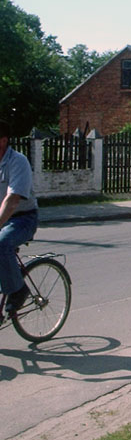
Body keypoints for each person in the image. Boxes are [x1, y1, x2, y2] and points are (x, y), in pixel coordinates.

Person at [0, 120, 38, 314]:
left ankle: (19, 290)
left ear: (3, 140)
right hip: (2, 218)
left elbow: (12, 200)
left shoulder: (18, 162)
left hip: (24, 218)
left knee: (2, 242)